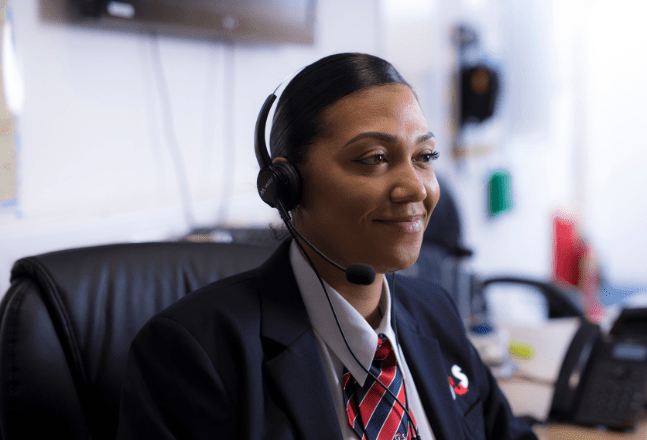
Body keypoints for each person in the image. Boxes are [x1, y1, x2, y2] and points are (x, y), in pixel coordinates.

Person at [116, 53, 537, 440]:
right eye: (374, 158)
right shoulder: (195, 353)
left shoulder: (435, 312)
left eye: (424, 156)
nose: (415, 187)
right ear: (288, 187)